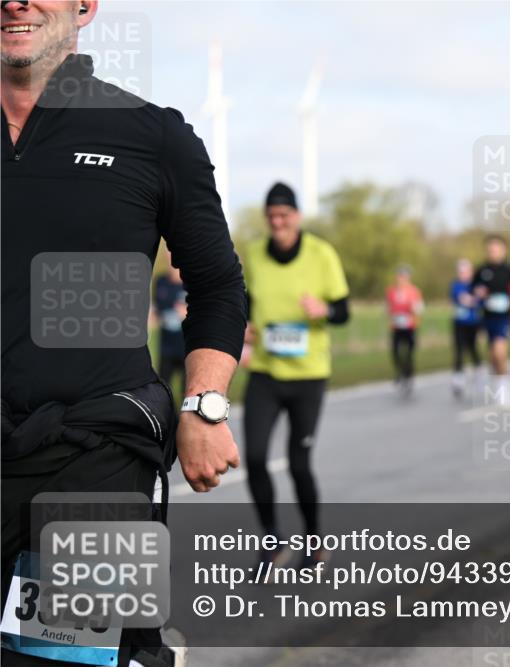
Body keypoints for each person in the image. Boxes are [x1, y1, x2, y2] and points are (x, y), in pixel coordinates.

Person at [2, 3, 247, 664]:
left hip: (95, 451)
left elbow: (219, 286)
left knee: (59, 658)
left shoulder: (152, 135)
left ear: (85, 5)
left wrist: (203, 404)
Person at [242, 183, 350, 569]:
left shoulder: (321, 254)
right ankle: (272, 543)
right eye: (271, 215)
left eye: (284, 215)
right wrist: (243, 334)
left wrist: (324, 310)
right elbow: (246, 304)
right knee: (253, 456)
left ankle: (315, 542)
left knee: (298, 463)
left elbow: (343, 311)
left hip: (308, 374)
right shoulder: (254, 255)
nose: (277, 222)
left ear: (297, 217)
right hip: (266, 372)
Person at [472, 235, 510, 405]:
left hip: (504, 317)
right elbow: (474, 289)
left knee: (500, 352)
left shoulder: (509, 269)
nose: (493, 252)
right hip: (487, 317)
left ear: (503, 250)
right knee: (493, 355)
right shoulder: (482, 270)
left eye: (497, 249)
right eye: (490, 249)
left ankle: (506, 386)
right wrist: (478, 293)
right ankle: (499, 382)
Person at [386, 265, 424, 397]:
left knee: (408, 354)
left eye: (403, 276)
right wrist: (392, 315)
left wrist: (412, 309)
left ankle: (409, 376)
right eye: (399, 276)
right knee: (395, 353)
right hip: (396, 327)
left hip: (410, 326)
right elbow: (388, 308)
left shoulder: (414, 291)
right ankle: (400, 373)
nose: (401, 279)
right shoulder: (391, 291)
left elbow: (419, 309)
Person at [153, 255, 188, 395]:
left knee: (187, 390)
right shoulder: (161, 282)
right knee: (163, 388)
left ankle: (183, 416)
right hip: (166, 347)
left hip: (186, 347)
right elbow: (157, 311)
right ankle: (165, 416)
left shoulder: (192, 282)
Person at [449, 258, 481, 399]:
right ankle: (458, 379)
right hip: (459, 322)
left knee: (473, 348)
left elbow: (478, 300)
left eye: (466, 271)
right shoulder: (456, 285)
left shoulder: (476, 285)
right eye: (461, 271)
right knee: (459, 350)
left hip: (473, 322)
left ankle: (478, 372)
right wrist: (471, 300)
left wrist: (472, 299)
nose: (463, 274)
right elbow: (461, 298)